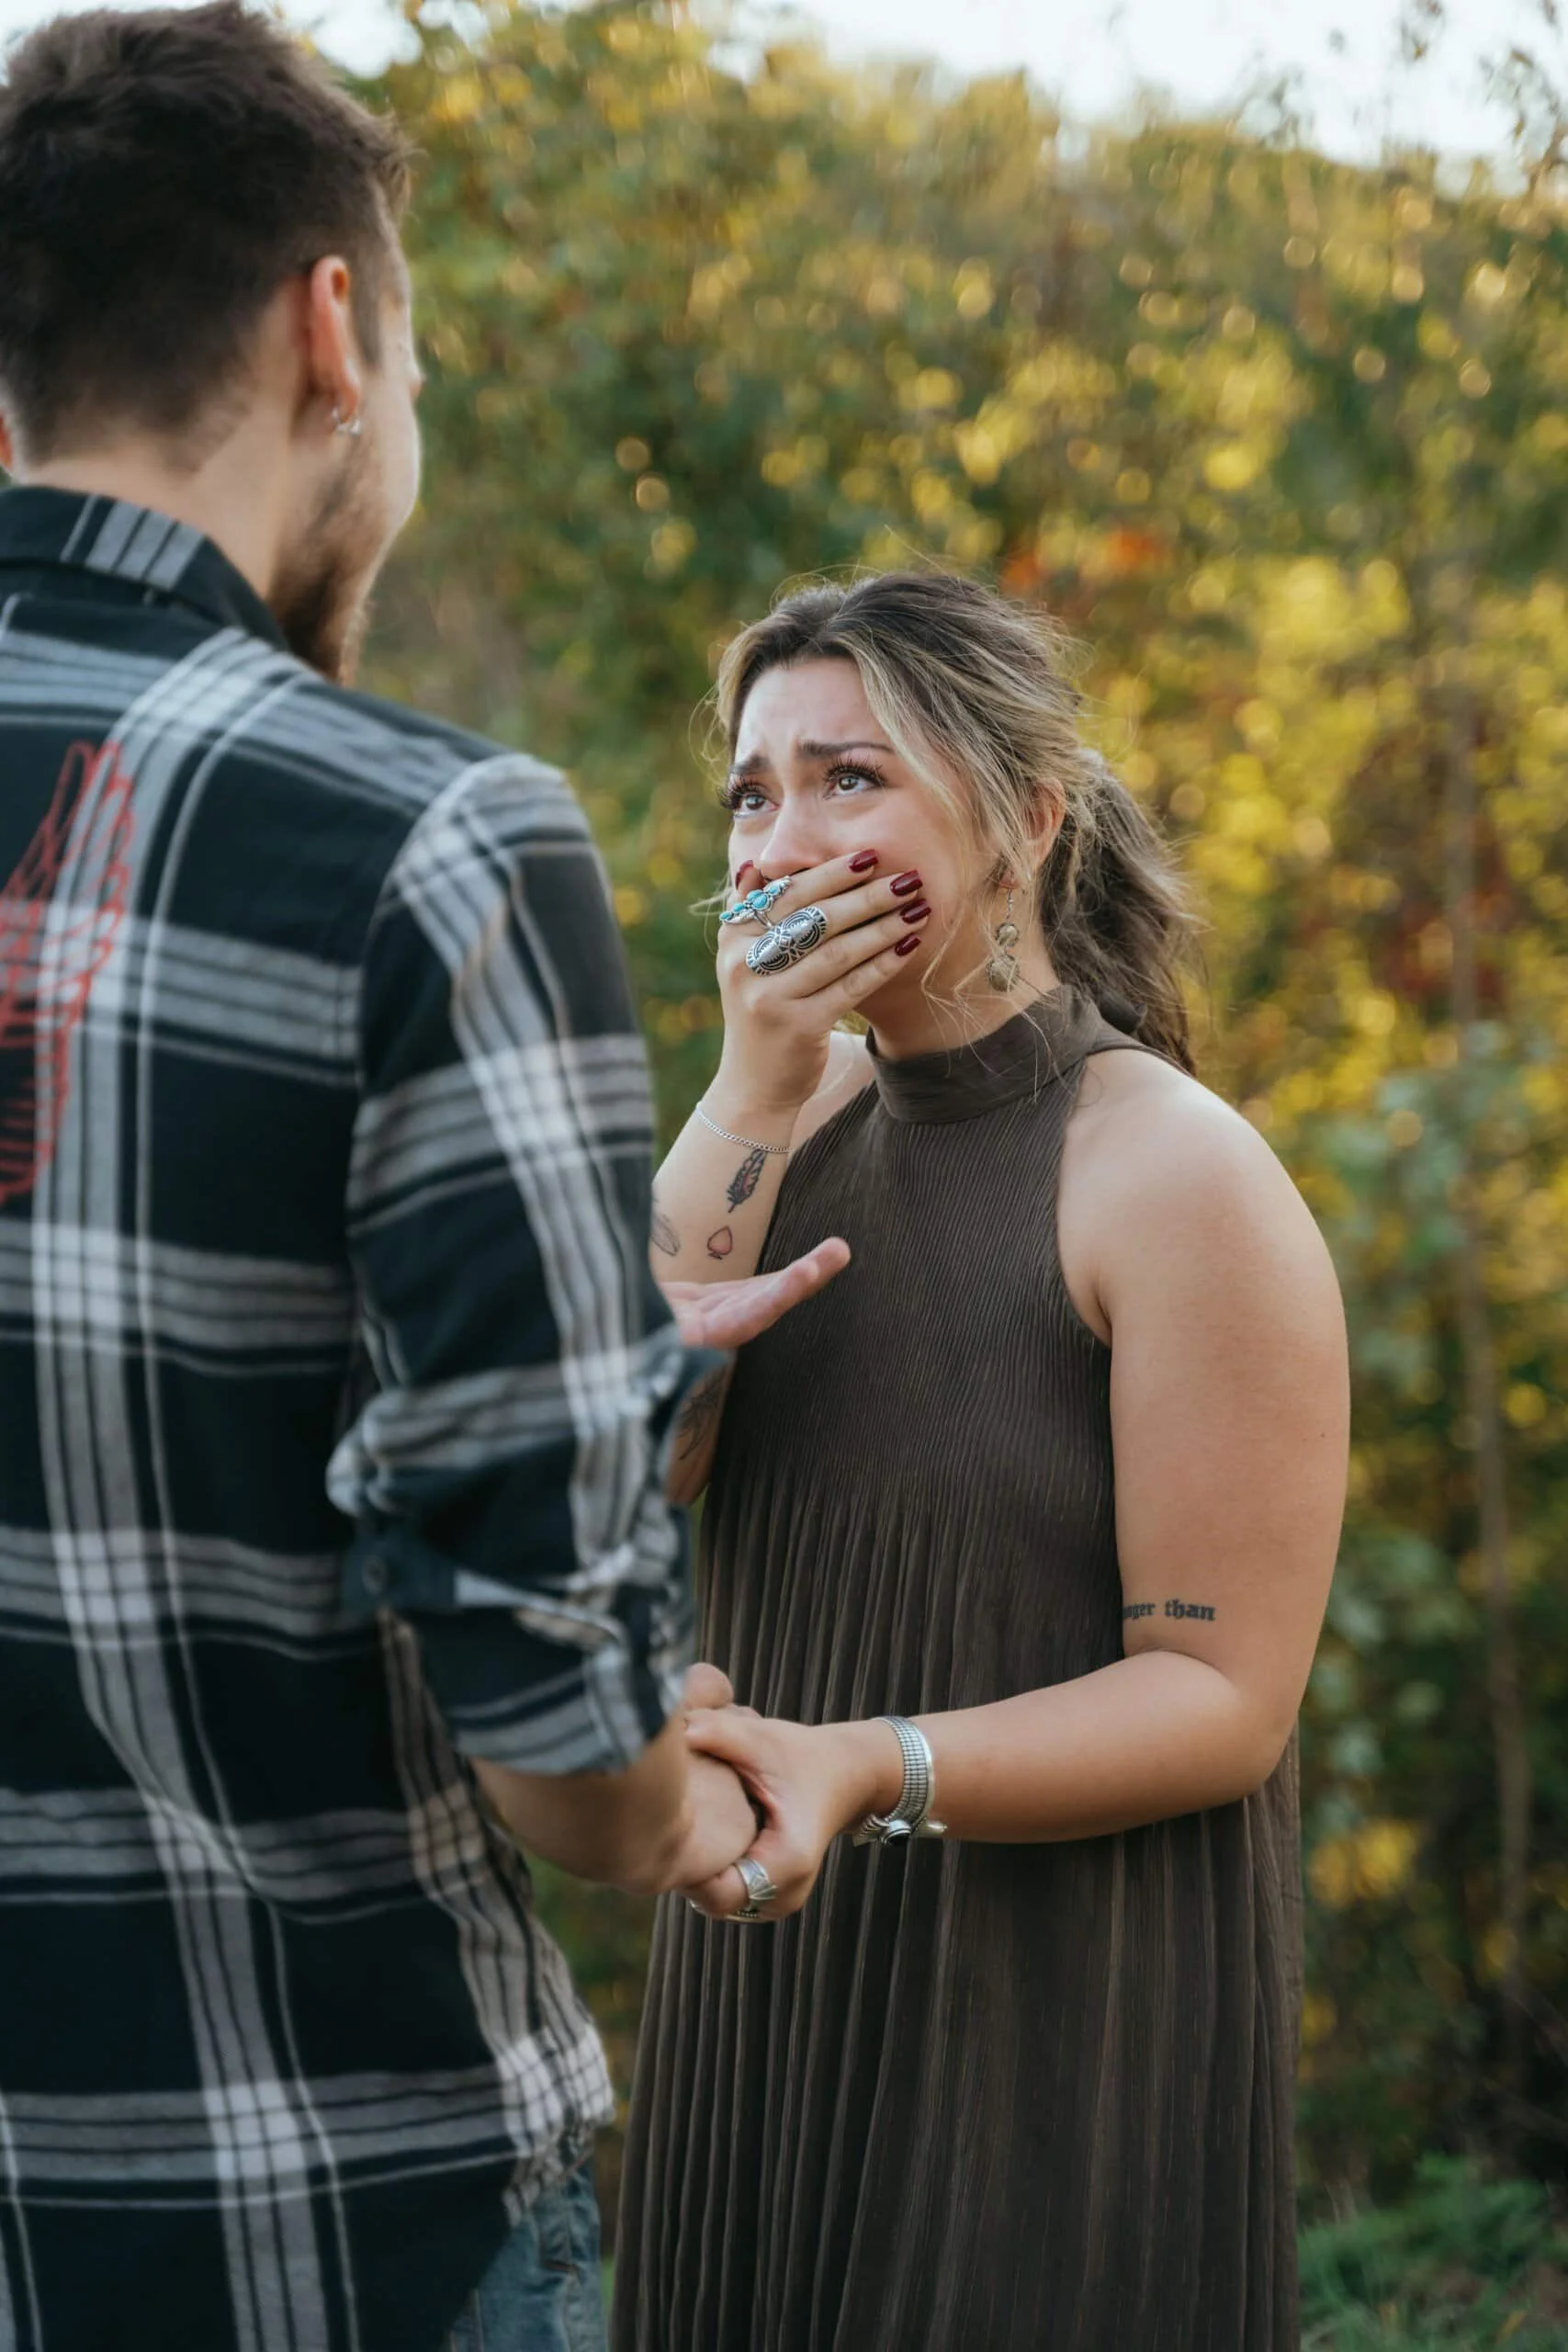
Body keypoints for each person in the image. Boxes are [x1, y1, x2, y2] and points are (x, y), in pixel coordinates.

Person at [0, 11, 840, 2350]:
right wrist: (699, 1805)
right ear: (329, 329)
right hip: (317, 2198)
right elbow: (551, 1713)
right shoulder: (421, 836)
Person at [614, 571, 1349, 2351]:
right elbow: (645, 1468)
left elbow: (1223, 1694)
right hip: (767, 1974)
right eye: (754, 788)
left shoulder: (1171, 1176)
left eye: (849, 776)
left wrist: (873, 1762)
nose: (784, 833)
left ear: (1024, 816)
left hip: (1046, 2028)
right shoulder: (768, 1131)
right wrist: (746, 1088)